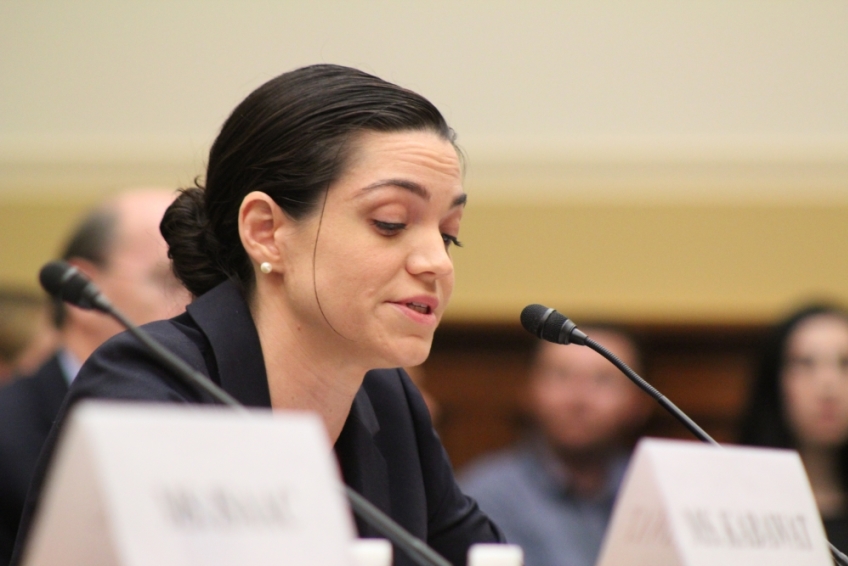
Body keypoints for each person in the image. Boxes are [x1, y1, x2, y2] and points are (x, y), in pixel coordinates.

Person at [11, 64, 503, 566]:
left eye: (448, 235)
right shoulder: (147, 387)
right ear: (266, 231)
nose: (438, 263)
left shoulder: (388, 396)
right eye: (390, 223)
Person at [0, 189, 191, 566]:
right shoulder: (7, 432)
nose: (191, 303)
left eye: (203, 283)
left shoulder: (214, 414)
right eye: (168, 279)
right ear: (81, 293)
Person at [460, 328, 652, 566]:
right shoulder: (485, 497)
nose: (579, 399)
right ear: (528, 390)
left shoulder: (655, 493)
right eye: (561, 376)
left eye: (603, 380)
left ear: (638, 401)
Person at [739, 303, 848, 552]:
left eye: (846, 363)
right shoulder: (734, 508)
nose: (828, 386)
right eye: (805, 363)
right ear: (775, 382)